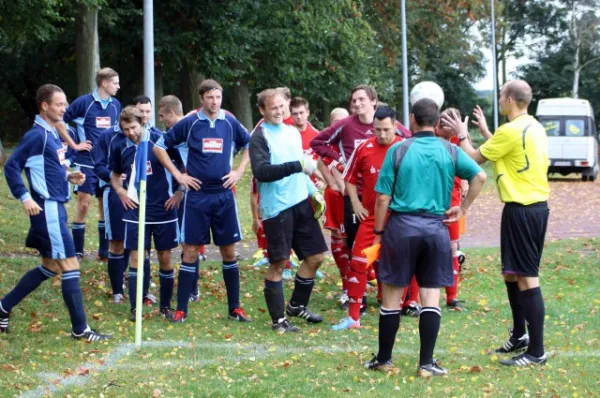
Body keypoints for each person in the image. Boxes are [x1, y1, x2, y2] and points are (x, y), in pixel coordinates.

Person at [364, 98, 486, 376]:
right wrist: (462, 209)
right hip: (435, 228)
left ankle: (384, 360)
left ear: (412, 120)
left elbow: (383, 198)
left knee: (392, 298)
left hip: (401, 228)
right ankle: (426, 364)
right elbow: (480, 177)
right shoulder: (450, 150)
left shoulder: (397, 149)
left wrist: (379, 234)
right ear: (437, 123)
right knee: (431, 296)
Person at [442, 80, 550, 367]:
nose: (499, 99)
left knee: (527, 277)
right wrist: (487, 132)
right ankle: (519, 335)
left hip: (524, 210)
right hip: (530, 209)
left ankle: (537, 352)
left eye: (501, 95)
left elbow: (474, 158)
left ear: (511, 99)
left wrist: (463, 134)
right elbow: (506, 150)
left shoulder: (512, 130)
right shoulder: (532, 126)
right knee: (512, 274)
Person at [1, 84, 111, 341]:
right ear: (45, 106)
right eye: (59, 104)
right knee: (70, 264)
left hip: (56, 208)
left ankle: (2, 308)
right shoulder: (37, 136)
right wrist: (25, 197)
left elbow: (47, 167)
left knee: (50, 266)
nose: (64, 108)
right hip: (47, 210)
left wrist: (68, 175)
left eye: (65, 104)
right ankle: (80, 330)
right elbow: (12, 166)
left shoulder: (51, 134)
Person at [154, 79, 251, 323]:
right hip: (197, 197)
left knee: (229, 251)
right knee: (189, 252)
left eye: (218, 97)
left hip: (223, 195)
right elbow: (159, 146)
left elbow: (250, 143)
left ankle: (235, 308)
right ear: (201, 99)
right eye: (210, 97)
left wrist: (238, 171)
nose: (215, 101)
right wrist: (178, 175)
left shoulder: (229, 120)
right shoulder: (190, 122)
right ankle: (181, 310)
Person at [249, 88, 328, 333]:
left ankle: (296, 306)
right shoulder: (259, 137)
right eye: (274, 108)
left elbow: (303, 169)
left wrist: (312, 191)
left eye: (283, 107)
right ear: (262, 110)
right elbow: (262, 171)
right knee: (279, 263)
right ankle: (278, 321)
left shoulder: (293, 132)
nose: (280, 112)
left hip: (300, 203)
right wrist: (297, 165)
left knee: (316, 256)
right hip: (276, 209)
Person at [331, 106, 403, 330]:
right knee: (358, 262)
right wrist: (356, 203)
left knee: (398, 263)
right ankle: (353, 318)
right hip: (371, 218)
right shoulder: (364, 147)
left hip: (400, 218)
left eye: (386, 130)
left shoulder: (405, 147)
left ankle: (401, 305)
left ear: (395, 125)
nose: (381, 134)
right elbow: (349, 178)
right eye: (377, 129)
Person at [110, 106, 183, 321]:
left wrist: (179, 193)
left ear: (142, 122)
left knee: (165, 256)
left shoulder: (162, 141)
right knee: (136, 257)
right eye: (125, 129)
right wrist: (121, 191)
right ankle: (136, 308)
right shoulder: (120, 146)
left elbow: (182, 168)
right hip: (135, 210)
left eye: (133, 127)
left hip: (163, 209)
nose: (130, 133)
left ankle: (165, 307)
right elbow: (114, 175)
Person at [64, 67, 122, 262]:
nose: (118, 86)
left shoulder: (116, 105)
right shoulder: (84, 103)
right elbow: (60, 121)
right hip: (85, 163)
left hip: (105, 166)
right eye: (115, 83)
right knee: (83, 205)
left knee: (103, 207)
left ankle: (103, 252)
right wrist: (74, 144)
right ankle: (77, 252)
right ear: (104, 83)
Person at [316, 108, 352, 309]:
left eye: (342, 121)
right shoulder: (329, 141)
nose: (339, 125)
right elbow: (320, 162)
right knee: (338, 240)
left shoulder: (353, 140)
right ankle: (347, 286)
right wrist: (330, 182)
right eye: (335, 121)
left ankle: (364, 280)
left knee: (355, 241)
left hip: (354, 197)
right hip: (335, 198)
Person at [92, 122, 129, 303]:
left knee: (138, 243)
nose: (144, 116)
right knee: (117, 242)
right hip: (114, 193)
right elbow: (98, 167)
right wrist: (113, 176)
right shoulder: (107, 136)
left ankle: (139, 286)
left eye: (147, 112)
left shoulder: (148, 134)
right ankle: (117, 291)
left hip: (141, 194)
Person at [437, 108, 469, 311]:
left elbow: (473, 162)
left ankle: (452, 297)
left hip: (453, 203)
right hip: (430, 204)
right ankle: (412, 300)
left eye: (455, 123)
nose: (451, 127)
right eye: (447, 122)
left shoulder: (459, 142)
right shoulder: (430, 140)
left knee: (453, 250)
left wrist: (465, 180)